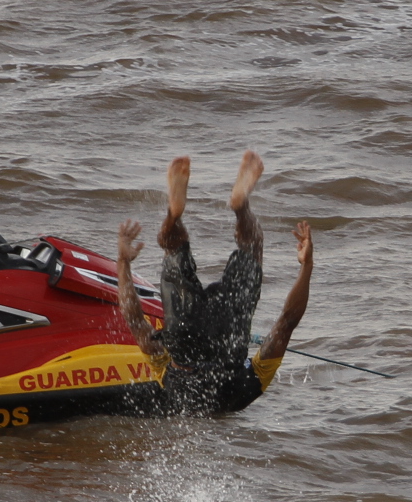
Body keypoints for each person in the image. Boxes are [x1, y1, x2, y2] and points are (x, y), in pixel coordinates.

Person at [116, 152, 314, 416]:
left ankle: (239, 206)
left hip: (229, 339)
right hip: (182, 337)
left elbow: (287, 323)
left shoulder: (245, 392)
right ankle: (174, 216)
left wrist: (306, 265)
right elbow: (135, 321)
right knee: (173, 247)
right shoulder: (170, 383)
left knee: (252, 245)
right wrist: (123, 262)